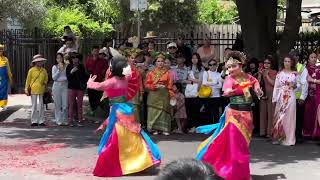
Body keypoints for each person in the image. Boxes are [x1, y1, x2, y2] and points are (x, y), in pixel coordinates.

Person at [87, 48, 161, 177]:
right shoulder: (125, 80)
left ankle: (121, 163)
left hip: (117, 110)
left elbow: (96, 86)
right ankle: (138, 160)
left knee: (117, 137)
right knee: (132, 135)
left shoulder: (112, 81)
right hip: (126, 108)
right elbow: (129, 72)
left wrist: (90, 81)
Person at [196, 51, 263, 180]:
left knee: (243, 145)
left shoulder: (248, 77)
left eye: (233, 66)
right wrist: (229, 92)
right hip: (234, 116)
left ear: (241, 65)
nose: (230, 69)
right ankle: (233, 173)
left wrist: (258, 88)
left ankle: (241, 172)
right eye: (228, 67)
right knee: (235, 145)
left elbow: (255, 82)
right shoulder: (229, 79)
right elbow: (226, 90)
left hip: (247, 115)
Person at [145, 53, 175, 136]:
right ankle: (154, 129)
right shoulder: (150, 73)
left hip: (164, 94)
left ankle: (164, 129)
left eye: (162, 61)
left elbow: (170, 85)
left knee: (163, 112)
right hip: (154, 94)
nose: (160, 63)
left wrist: (170, 93)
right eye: (158, 61)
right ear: (155, 63)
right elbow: (147, 85)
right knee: (154, 111)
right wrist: (154, 86)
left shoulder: (168, 73)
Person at [272, 55, 298, 146]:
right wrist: (275, 98)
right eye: (285, 61)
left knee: (290, 117)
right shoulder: (279, 74)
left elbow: (298, 87)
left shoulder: (295, 74)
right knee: (281, 117)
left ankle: (290, 139)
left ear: (291, 63)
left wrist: (293, 85)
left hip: (291, 96)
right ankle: (280, 137)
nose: (287, 63)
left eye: (288, 61)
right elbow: (276, 86)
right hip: (281, 96)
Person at [25, 54, 48, 126]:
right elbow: (28, 80)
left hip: (41, 89)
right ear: (34, 62)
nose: (39, 63)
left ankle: (41, 121)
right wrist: (26, 88)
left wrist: (44, 82)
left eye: (40, 61)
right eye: (38, 61)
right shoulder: (31, 70)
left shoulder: (44, 70)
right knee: (34, 105)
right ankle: (34, 121)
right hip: (33, 89)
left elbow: (46, 78)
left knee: (41, 105)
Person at [66, 53, 88, 127]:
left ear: (79, 59)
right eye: (73, 58)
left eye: (76, 58)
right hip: (71, 88)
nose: (75, 59)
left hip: (80, 88)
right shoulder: (69, 66)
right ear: (71, 59)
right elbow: (68, 78)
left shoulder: (81, 66)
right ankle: (70, 120)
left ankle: (80, 120)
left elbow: (85, 76)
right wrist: (72, 72)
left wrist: (84, 82)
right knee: (71, 104)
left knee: (80, 105)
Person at [85, 46, 108, 116]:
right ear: (92, 51)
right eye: (94, 51)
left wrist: (104, 78)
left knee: (99, 96)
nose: (96, 52)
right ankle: (93, 110)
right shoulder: (89, 60)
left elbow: (106, 70)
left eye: (97, 51)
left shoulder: (103, 61)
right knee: (91, 96)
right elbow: (86, 69)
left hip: (99, 81)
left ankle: (100, 110)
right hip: (91, 81)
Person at [259, 55, 277, 137]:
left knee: (271, 113)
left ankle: (270, 132)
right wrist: (260, 75)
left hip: (271, 93)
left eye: (268, 63)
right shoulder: (261, 71)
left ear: (271, 64)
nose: (266, 65)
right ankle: (262, 131)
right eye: (265, 63)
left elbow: (273, 83)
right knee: (263, 113)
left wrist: (266, 75)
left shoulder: (274, 72)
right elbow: (258, 84)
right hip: (263, 94)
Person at [303, 52, 320, 138]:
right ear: (308, 59)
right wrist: (315, 82)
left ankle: (316, 134)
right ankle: (307, 132)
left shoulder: (318, 68)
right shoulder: (306, 69)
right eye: (311, 57)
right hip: (309, 94)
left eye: (314, 57)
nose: (313, 59)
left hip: (318, 93)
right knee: (308, 113)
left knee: (316, 113)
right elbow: (306, 80)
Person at [201, 59, 222, 124]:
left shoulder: (219, 74)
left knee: (216, 113)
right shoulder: (206, 73)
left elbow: (220, 86)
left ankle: (215, 127)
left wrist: (209, 84)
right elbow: (204, 83)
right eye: (210, 65)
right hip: (207, 95)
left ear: (216, 65)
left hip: (216, 96)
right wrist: (215, 83)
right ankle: (209, 128)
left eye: (214, 64)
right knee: (208, 113)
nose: (212, 66)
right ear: (208, 66)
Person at [52, 53, 68, 126]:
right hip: (57, 85)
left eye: (60, 58)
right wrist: (58, 70)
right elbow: (54, 78)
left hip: (65, 84)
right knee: (57, 104)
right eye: (58, 58)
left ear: (63, 59)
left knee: (65, 105)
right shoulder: (54, 67)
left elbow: (68, 76)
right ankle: (58, 120)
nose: (59, 59)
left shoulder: (66, 66)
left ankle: (65, 119)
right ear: (56, 59)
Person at [0, 44, 12, 111]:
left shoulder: (5, 59)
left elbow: (8, 69)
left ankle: (3, 104)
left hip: (4, 78)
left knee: (4, 91)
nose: (0, 51)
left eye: (1, 50)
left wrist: (10, 77)